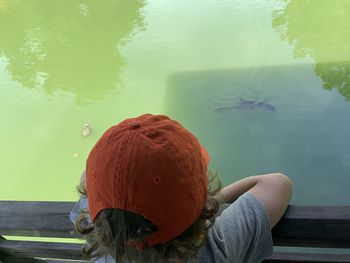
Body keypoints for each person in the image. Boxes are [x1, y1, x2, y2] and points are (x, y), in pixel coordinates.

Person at [70, 113, 292, 263]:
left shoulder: (96, 233)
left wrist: (118, 174)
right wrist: (217, 199)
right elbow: (277, 185)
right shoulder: (215, 250)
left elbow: (86, 182)